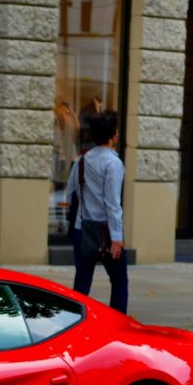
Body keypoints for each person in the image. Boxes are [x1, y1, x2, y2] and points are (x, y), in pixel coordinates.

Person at [64, 110, 127, 313]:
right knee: (119, 283)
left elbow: (70, 193)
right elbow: (112, 203)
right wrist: (117, 237)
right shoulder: (113, 164)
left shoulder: (81, 161)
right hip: (106, 233)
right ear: (113, 136)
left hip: (82, 230)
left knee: (81, 285)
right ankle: (117, 327)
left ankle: (74, 326)